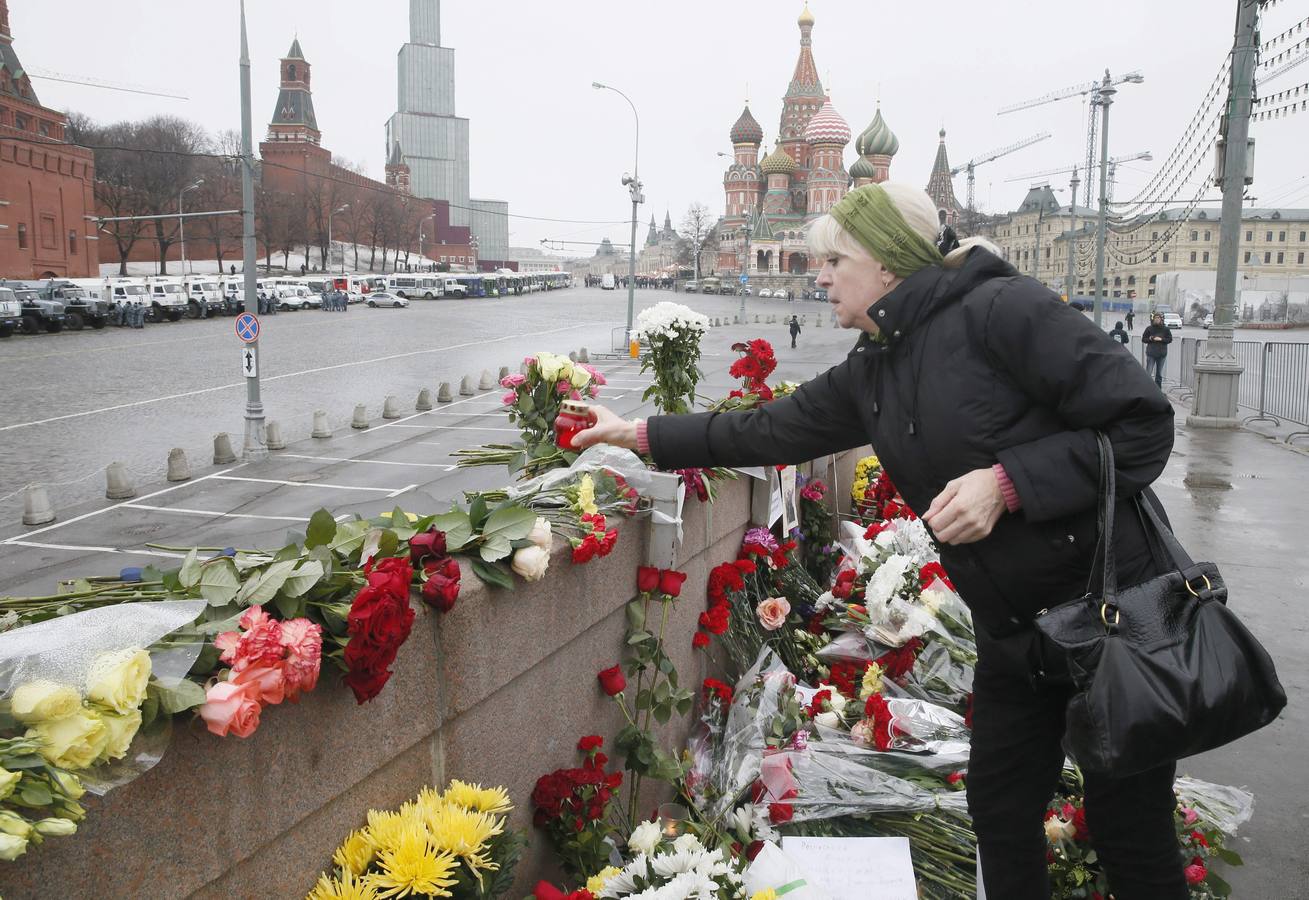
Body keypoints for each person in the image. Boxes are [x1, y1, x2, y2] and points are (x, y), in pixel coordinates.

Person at [574, 181, 1186, 900]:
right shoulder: (878, 364)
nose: (820, 277)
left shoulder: (1003, 310)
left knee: (1128, 826)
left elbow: (1143, 424)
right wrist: (638, 432)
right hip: (1016, 631)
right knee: (999, 810)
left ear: (887, 262)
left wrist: (1007, 483)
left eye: (834, 260)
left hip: (1108, 613)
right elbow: (771, 428)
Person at [1142, 312, 1172, 387]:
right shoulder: (1149, 328)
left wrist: (1161, 339)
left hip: (1162, 354)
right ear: (1153, 319)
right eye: (1155, 318)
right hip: (1151, 353)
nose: (1157, 319)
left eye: (1158, 318)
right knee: (1148, 372)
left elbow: (1169, 339)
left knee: (1159, 373)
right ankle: (1147, 388)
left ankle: (1158, 389)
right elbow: (1143, 339)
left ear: (1161, 319)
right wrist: (1150, 339)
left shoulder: (1165, 329)